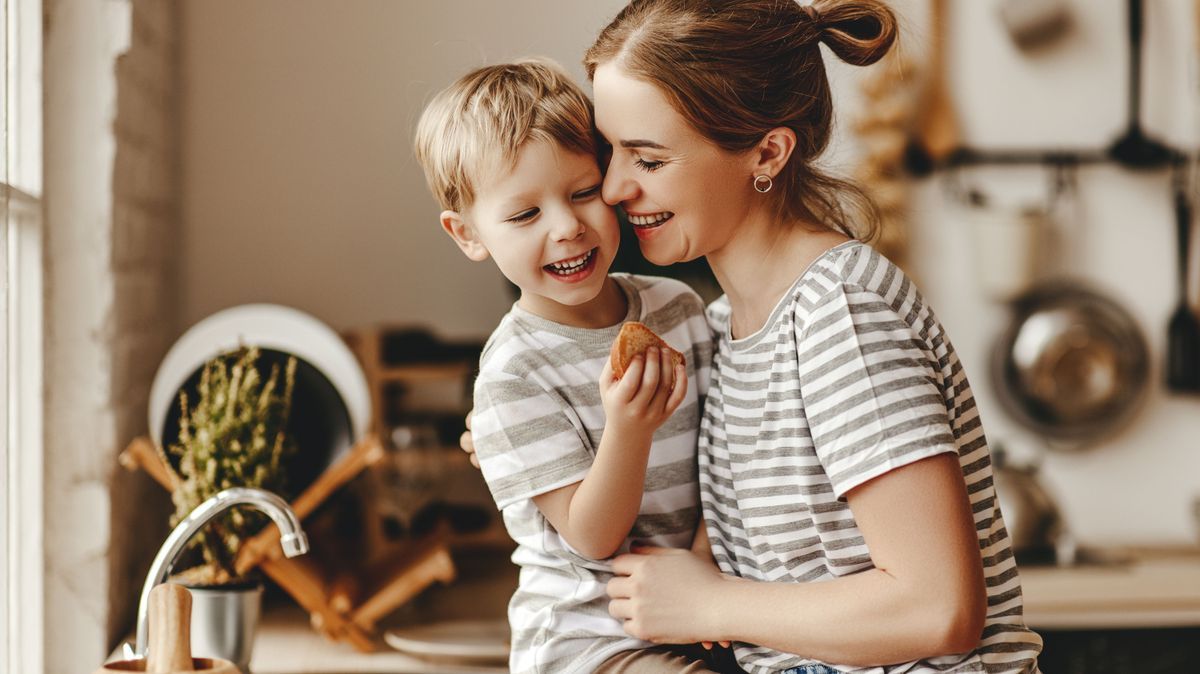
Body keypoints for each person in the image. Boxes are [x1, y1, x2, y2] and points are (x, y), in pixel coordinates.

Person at [461, 1, 1045, 672]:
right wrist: (512, 435)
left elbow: (938, 609)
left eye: (647, 160)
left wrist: (711, 605)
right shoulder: (722, 331)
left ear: (767, 152)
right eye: (609, 152)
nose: (615, 189)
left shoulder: (838, 316)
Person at [413, 59, 729, 673]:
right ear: (468, 234)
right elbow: (592, 538)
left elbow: (730, 449)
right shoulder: (513, 375)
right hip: (591, 641)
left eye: (583, 192)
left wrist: (706, 560)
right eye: (524, 214)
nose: (566, 227)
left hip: (705, 608)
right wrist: (629, 429)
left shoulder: (678, 307)